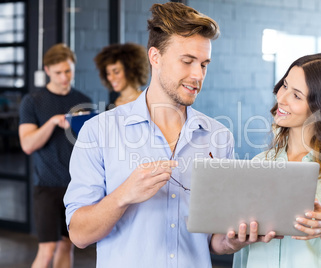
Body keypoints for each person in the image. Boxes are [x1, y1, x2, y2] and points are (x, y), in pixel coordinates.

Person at [64, 3, 261, 267]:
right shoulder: (99, 132)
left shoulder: (219, 137)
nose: (197, 75)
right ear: (155, 57)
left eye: (204, 64)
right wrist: (124, 194)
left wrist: (232, 241)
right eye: (187, 61)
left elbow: (214, 240)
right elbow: (79, 234)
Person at [218, 53, 321, 267]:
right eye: (284, 86)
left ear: (320, 107)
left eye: (297, 96)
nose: (281, 98)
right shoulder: (259, 162)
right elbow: (243, 257)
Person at [19, 43, 91, 268]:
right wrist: (52, 122)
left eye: (68, 71)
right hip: (47, 187)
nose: (64, 77)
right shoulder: (33, 101)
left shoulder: (83, 100)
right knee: (47, 249)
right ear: (47, 70)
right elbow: (27, 145)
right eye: (58, 72)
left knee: (67, 245)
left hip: (75, 187)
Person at [94, 42, 149, 109]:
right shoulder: (110, 108)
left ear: (130, 71)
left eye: (116, 72)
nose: (111, 77)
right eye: (108, 73)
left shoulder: (148, 101)